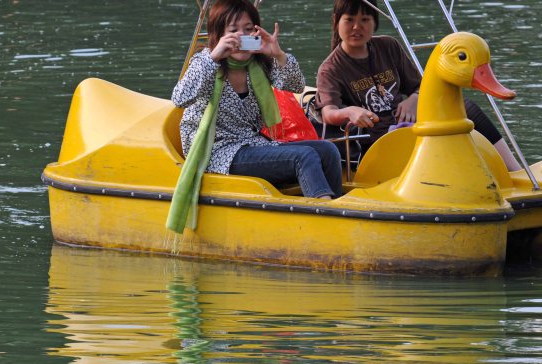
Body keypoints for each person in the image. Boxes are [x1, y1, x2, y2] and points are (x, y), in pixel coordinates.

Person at [170, 0, 342, 221]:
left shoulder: (259, 64)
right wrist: (214, 56)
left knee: (327, 151)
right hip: (216, 151)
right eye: (233, 31)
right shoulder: (205, 62)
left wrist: (278, 54)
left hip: (252, 143)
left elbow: (296, 87)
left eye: (248, 30)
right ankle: (328, 219)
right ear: (219, 35)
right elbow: (179, 98)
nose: (242, 37)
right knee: (304, 157)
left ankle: (337, 206)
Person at [313, 0, 521, 171]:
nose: (357, 27)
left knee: (467, 108)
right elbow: (329, 113)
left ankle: (515, 171)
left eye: (364, 20)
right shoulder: (330, 69)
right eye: (349, 20)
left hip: (409, 126)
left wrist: (414, 99)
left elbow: (423, 86)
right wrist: (350, 111)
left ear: (374, 23)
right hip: (377, 142)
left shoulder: (389, 46)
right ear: (336, 22)